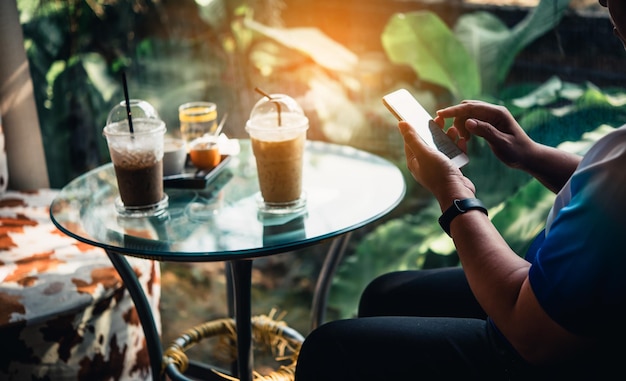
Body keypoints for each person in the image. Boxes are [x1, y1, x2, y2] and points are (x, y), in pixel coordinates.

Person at [294, 1, 626, 379]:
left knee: (329, 348)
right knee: (386, 293)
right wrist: (530, 155)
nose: (600, 1)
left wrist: (453, 193)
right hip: (569, 299)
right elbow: (606, 196)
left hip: (545, 348)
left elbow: (529, 334)